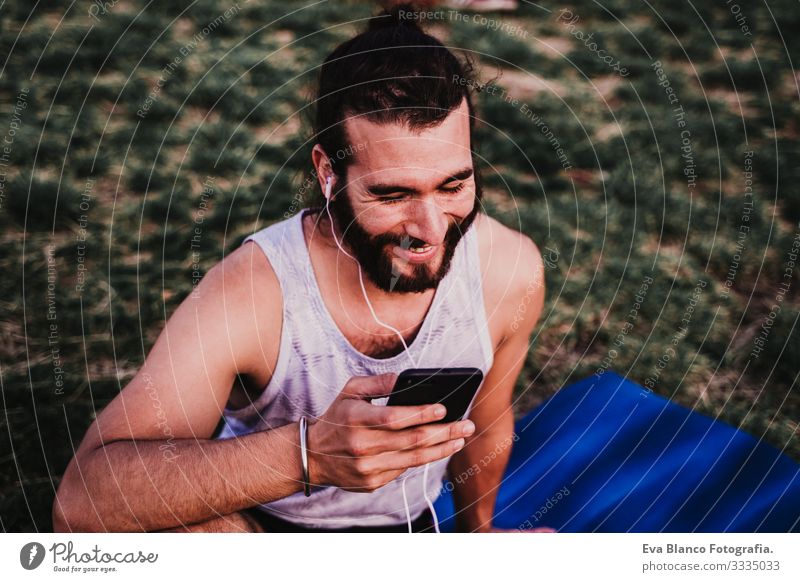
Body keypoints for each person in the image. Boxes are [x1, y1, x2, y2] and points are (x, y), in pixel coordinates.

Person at [53, 4, 545, 533]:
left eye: (453, 185)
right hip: (259, 523)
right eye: (392, 193)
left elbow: (487, 422)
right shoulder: (252, 291)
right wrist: (306, 454)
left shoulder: (508, 269)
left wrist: (481, 535)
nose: (430, 229)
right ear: (328, 172)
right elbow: (82, 503)